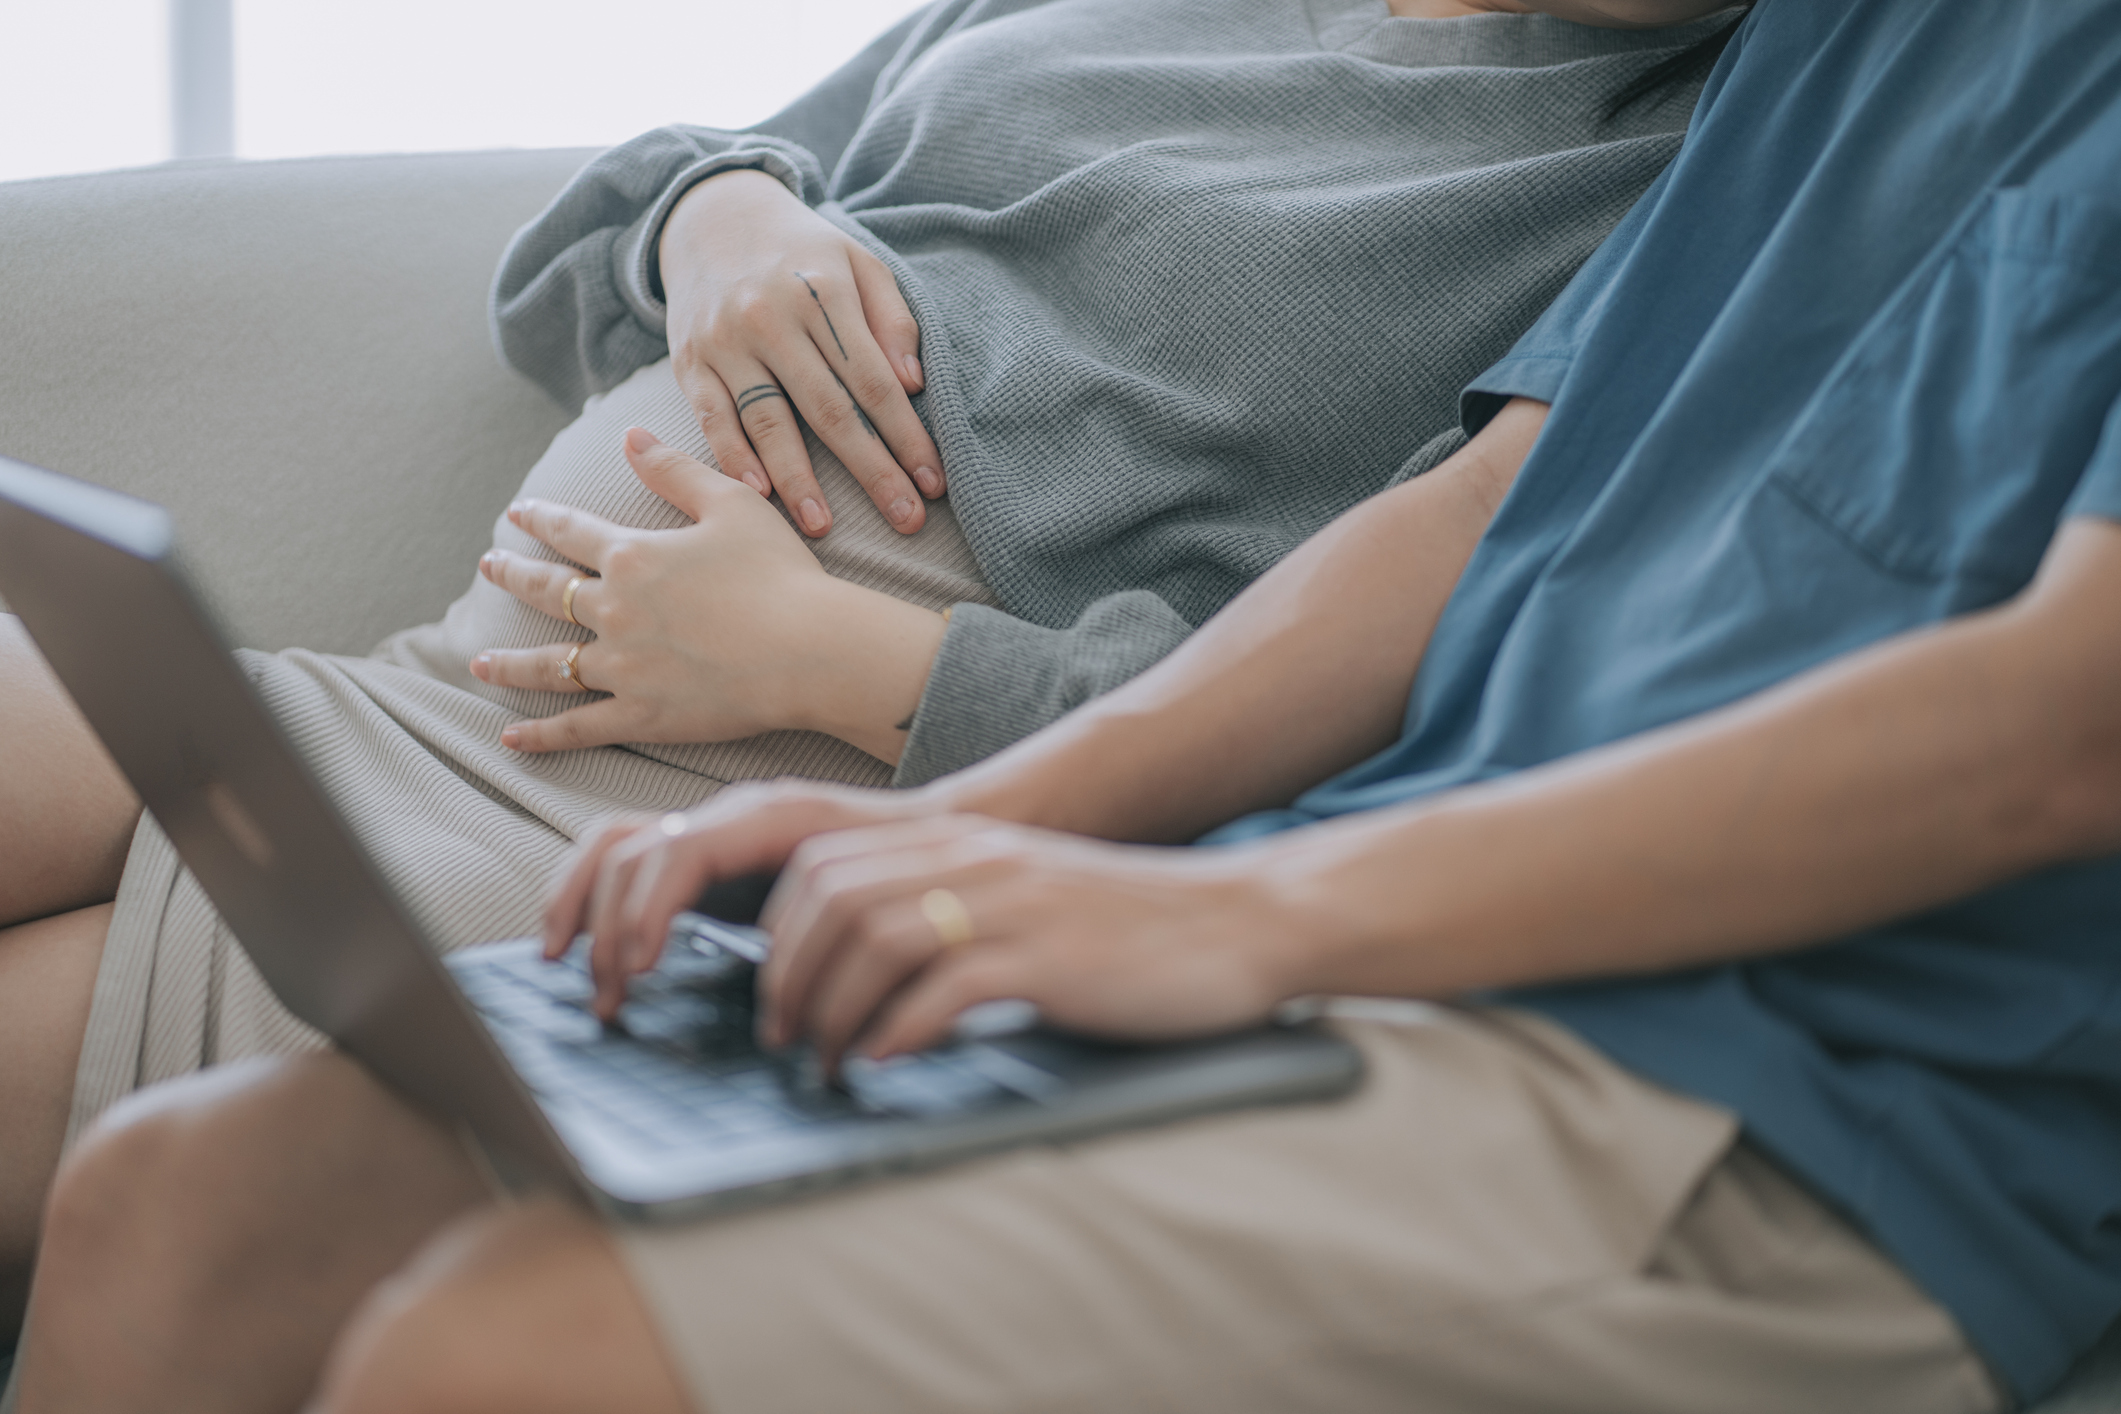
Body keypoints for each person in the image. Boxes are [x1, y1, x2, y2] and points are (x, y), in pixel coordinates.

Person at [15, 0, 2121, 1409]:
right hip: (1352, 925)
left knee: (505, 1346)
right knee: (186, 1197)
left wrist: (1215, 896)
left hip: (1772, 1077)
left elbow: (2064, 724)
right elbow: (1496, 497)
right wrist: (985, 833)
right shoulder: (1876, 38)